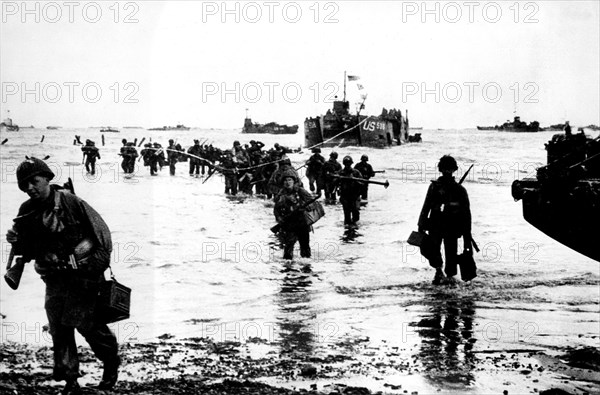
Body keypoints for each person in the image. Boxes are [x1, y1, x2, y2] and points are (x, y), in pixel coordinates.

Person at [6, 157, 120, 394]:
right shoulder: (27, 211)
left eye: (34, 181)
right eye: (24, 185)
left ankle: (110, 362)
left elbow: (102, 235)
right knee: (59, 329)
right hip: (54, 279)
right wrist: (17, 242)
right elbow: (28, 250)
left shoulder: (70, 202)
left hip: (83, 276)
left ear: (47, 178)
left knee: (87, 325)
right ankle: (71, 380)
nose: (29, 188)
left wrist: (93, 267)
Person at [418, 155, 472, 285]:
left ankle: (450, 276)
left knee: (451, 252)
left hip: (452, 226)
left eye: (449, 169)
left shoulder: (459, 190)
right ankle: (438, 270)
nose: (447, 172)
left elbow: (466, 214)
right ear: (440, 170)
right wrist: (421, 224)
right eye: (444, 169)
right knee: (432, 249)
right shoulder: (434, 187)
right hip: (435, 224)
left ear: (454, 169)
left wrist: (467, 237)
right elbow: (426, 206)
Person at [273, 171, 314, 259]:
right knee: (288, 247)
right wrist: (279, 218)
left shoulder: (300, 191)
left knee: (305, 247)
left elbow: (312, 202)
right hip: (289, 223)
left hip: (301, 222)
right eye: (285, 181)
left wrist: (306, 208)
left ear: (294, 181)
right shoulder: (281, 194)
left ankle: (306, 267)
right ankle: (288, 269)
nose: (287, 182)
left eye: (290, 180)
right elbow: (276, 209)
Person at [335, 156, 363, 225]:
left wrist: (354, 180)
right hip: (345, 196)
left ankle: (355, 227)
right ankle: (348, 230)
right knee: (347, 214)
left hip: (355, 196)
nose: (348, 165)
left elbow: (362, 183)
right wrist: (339, 178)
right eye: (346, 164)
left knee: (356, 213)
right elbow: (334, 182)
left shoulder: (356, 172)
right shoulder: (340, 173)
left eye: (349, 164)